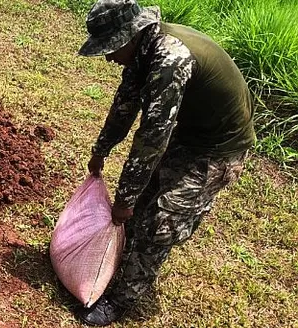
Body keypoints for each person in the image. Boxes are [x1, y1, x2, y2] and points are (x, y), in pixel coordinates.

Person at [77, 0, 255, 326]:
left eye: (111, 48)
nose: (108, 57)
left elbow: (151, 141)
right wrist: (101, 150)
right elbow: (124, 108)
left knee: (160, 221)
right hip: (190, 132)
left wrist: (124, 199)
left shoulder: (169, 61)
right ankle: (121, 261)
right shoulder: (141, 52)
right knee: (140, 208)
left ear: (130, 38)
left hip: (217, 148)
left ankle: (120, 300)